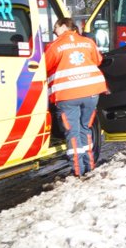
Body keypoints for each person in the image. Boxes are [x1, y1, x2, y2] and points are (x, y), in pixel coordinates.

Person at [44, 16, 108, 177]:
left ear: (65, 26)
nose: (54, 31)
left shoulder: (55, 46)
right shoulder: (88, 42)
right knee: (85, 128)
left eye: (56, 28)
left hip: (67, 95)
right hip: (92, 93)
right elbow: (98, 60)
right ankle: (89, 165)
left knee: (72, 132)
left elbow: (43, 66)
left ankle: (78, 171)